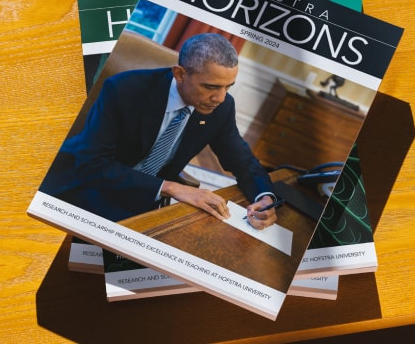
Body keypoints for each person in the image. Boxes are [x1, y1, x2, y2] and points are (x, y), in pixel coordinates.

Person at [42, 33, 278, 229]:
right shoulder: (124, 89)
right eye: (210, 87)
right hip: (84, 185)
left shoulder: (222, 107)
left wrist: (265, 198)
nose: (220, 97)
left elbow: (242, 160)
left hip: (141, 197)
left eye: (228, 86)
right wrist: (173, 188)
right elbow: (92, 164)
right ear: (180, 74)